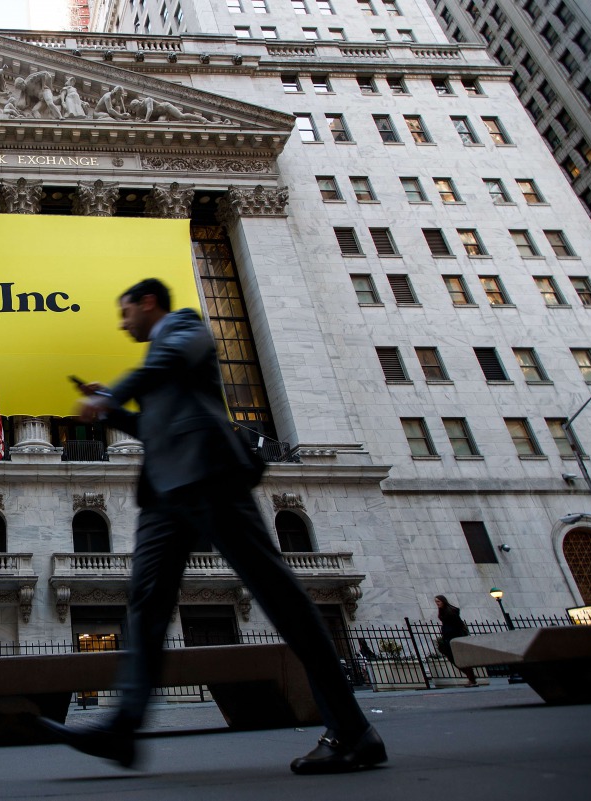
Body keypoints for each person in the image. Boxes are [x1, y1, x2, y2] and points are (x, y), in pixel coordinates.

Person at [39, 278, 386, 775]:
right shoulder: (162, 360)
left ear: (149, 303)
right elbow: (152, 425)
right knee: (146, 602)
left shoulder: (185, 331)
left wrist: (116, 391)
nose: (123, 322)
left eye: (126, 311)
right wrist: (112, 408)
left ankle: (353, 731)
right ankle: (123, 731)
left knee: (281, 599)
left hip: (210, 480)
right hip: (164, 494)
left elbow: (165, 367)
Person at [435, 595, 479, 686]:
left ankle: (472, 679)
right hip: (447, 637)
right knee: (452, 658)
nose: (437, 604)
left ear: (443, 601)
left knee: (461, 658)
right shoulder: (442, 611)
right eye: (436, 602)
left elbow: (459, 624)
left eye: (438, 601)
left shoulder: (451, 611)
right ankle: (471, 676)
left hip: (455, 637)